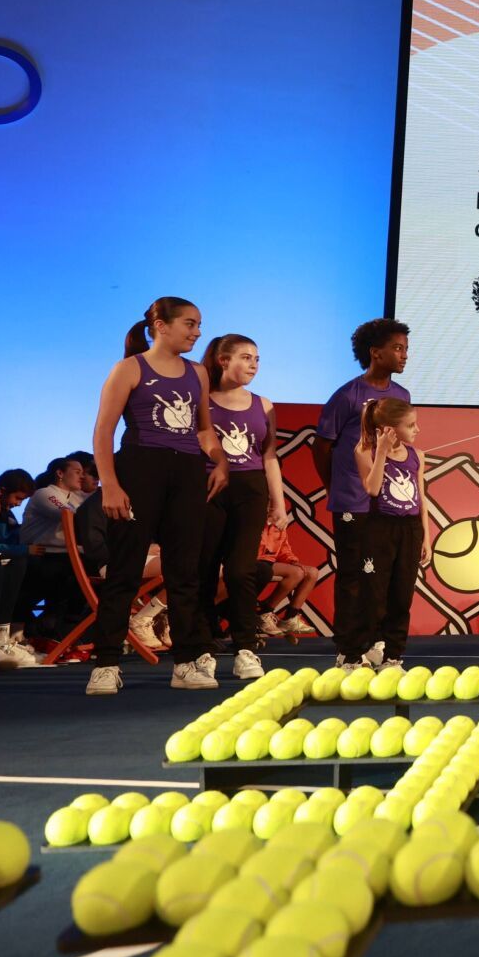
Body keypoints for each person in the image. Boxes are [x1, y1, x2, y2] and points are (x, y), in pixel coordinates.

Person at [85, 297, 232, 695]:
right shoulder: (129, 368)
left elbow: (203, 431)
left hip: (186, 473)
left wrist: (219, 460)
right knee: (125, 571)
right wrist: (110, 485)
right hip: (139, 469)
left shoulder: (197, 373)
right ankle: (106, 664)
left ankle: (185, 662)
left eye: (199, 324)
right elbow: (103, 433)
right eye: (190, 323)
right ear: (161, 325)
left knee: (186, 571)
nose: (197, 332)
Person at [314, 319, 410, 668]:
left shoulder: (401, 396)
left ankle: (378, 645)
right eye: (397, 348)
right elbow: (322, 446)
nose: (404, 356)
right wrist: (336, 485)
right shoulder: (347, 396)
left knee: (383, 576)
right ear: (375, 352)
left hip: (389, 505)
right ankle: (347, 650)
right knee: (354, 575)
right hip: (352, 502)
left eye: (405, 349)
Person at [198, 334, 281, 679]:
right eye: (246, 358)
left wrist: (280, 502)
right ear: (223, 360)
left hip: (251, 490)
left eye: (257, 359)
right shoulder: (201, 400)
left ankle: (246, 648)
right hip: (208, 490)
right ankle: (202, 650)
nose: (253, 365)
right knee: (202, 571)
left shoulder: (262, 404)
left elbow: (270, 456)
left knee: (241, 570)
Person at [351, 397, 430, 668]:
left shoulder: (417, 456)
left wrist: (426, 538)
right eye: (411, 425)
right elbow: (372, 489)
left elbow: (421, 499)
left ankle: (393, 656)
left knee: (401, 595)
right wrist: (382, 451)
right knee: (374, 593)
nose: (417, 430)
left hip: (410, 530)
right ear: (390, 429)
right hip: (380, 529)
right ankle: (365, 648)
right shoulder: (365, 452)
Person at [17, 456, 89, 643]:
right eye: (77, 472)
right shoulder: (45, 493)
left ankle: (66, 631)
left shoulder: (78, 496)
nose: (82, 477)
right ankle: (53, 631)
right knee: (70, 575)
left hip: (68, 556)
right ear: (60, 473)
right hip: (43, 555)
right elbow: (69, 516)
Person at [0, 468, 39, 668]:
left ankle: (5, 636)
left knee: (22, 565)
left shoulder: (6, 514)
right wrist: (25, 550)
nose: (19, 504)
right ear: (2, 491)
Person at [255, 522, 317, 638]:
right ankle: (264, 611)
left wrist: (292, 561)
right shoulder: (253, 518)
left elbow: (284, 549)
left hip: (269, 563)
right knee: (296, 573)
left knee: (312, 573)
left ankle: (290, 618)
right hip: (255, 562)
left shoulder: (279, 524)